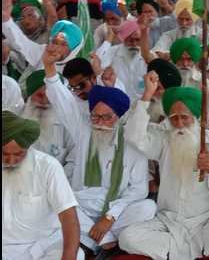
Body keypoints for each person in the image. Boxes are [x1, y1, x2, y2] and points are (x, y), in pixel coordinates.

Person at [42, 48, 156, 255]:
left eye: (106, 117)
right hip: (83, 203)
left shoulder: (132, 142)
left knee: (148, 207)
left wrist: (109, 217)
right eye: (95, 116)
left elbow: (138, 189)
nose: (99, 123)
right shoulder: (83, 130)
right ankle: (106, 239)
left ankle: (92, 238)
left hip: (117, 207)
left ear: (119, 117)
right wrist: (49, 68)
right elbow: (61, 100)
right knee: (53, 204)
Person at [119, 77, 209, 259]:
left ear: (196, 117)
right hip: (169, 221)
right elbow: (133, 135)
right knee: (127, 237)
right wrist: (147, 95)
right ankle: (200, 249)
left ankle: (175, 250)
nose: (179, 124)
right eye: (174, 118)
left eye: (184, 118)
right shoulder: (164, 139)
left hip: (206, 221)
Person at [2, 111, 84, 260]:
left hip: (42, 247)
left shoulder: (48, 166)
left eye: (19, 154)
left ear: (28, 147)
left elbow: (68, 217)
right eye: (4, 154)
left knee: (76, 255)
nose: (11, 160)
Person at [3, 0, 84, 73]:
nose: (56, 48)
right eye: (54, 42)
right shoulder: (43, 52)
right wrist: (6, 20)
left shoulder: (75, 71)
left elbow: (53, 16)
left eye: (63, 44)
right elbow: (21, 42)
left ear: (73, 49)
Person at [21, 69, 73, 164]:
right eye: (40, 95)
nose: (45, 101)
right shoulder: (13, 117)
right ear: (29, 95)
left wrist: (56, 178)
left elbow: (73, 161)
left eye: (51, 96)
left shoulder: (68, 122)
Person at [95, 20, 148, 102]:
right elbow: (96, 63)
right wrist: (109, 38)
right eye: (130, 40)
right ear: (123, 39)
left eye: (137, 40)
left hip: (142, 104)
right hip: (118, 102)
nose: (134, 44)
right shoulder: (114, 51)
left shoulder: (148, 57)